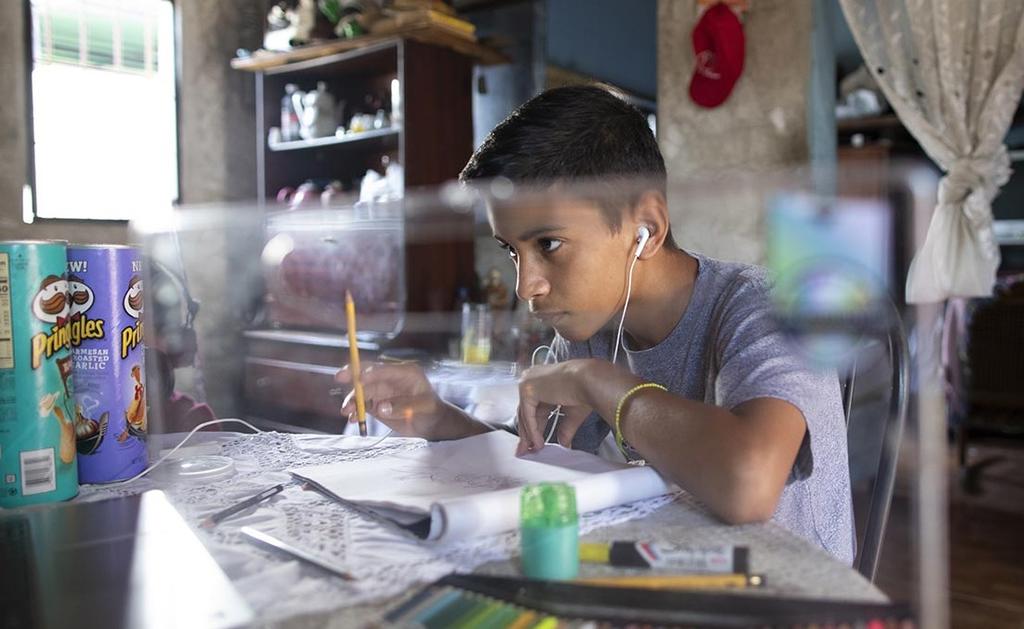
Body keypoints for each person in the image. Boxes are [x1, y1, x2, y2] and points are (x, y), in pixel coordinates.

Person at [336, 85, 854, 564]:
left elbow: (749, 484)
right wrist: (436, 418)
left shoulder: (766, 305)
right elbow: (535, 459)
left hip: (791, 594)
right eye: (512, 252)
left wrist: (597, 382)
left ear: (646, 229)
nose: (526, 286)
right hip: (674, 571)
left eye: (549, 244)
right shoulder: (595, 326)